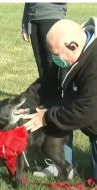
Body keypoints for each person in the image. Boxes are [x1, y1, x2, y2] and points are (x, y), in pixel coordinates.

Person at [24, 17, 97, 180]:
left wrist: (47, 116)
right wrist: (24, 103)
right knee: (58, 105)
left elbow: (87, 111)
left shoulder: (94, 65)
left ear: (73, 46)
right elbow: (46, 83)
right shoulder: (73, 51)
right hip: (88, 106)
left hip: (92, 111)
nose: (54, 59)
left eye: (56, 55)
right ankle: (63, 164)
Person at [21, 3, 73, 177]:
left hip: (52, 17)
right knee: (46, 85)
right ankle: (51, 157)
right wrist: (25, 21)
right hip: (34, 19)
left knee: (60, 87)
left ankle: (64, 160)